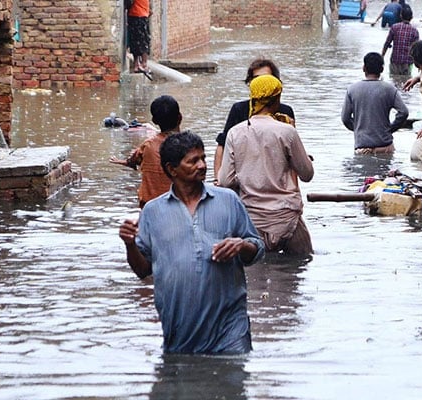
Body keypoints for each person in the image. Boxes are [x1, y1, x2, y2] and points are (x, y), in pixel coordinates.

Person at [118, 131, 265, 354]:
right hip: (179, 329)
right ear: (172, 169)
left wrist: (240, 245)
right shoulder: (153, 212)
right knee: (181, 382)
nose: (203, 165)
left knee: (231, 379)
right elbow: (143, 270)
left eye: (203, 158)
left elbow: (257, 248)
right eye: (193, 161)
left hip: (230, 328)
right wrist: (129, 244)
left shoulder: (228, 200)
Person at [219, 75, 315, 256]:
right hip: (287, 218)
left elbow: (225, 181)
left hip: (252, 219)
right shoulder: (287, 131)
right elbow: (307, 174)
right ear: (277, 99)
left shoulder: (235, 133)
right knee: (299, 268)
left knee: (255, 276)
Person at [213, 58, 295, 183]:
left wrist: (294, 189)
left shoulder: (285, 112)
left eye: (266, 78)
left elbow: (292, 154)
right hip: (243, 179)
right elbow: (223, 145)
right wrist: (217, 179)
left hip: (276, 180)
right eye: (256, 79)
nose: (261, 82)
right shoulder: (239, 109)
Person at [110, 95, 182, 208]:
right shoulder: (190, 146)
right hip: (180, 206)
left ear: (154, 121)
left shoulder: (148, 146)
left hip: (150, 207)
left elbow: (134, 160)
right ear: (180, 117)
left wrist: (126, 162)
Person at [341, 52, 409, 155]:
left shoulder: (352, 90)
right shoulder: (390, 89)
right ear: (382, 69)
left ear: (364, 68)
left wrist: (359, 129)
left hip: (362, 147)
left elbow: (345, 118)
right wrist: (390, 128)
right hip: (385, 146)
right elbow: (403, 112)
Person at [382, 6, 420, 76]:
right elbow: (416, 49)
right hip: (408, 62)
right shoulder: (415, 31)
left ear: (401, 16)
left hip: (395, 60)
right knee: (406, 82)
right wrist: (418, 64)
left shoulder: (394, 27)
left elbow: (387, 43)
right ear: (411, 17)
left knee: (394, 80)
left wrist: (382, 56)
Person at [126, 0, 151, 76]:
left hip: (135, 14)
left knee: (135, 41)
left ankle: (137, 65)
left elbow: (128, 3)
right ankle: (143, 64)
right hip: (140, 15)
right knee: (144, 41)